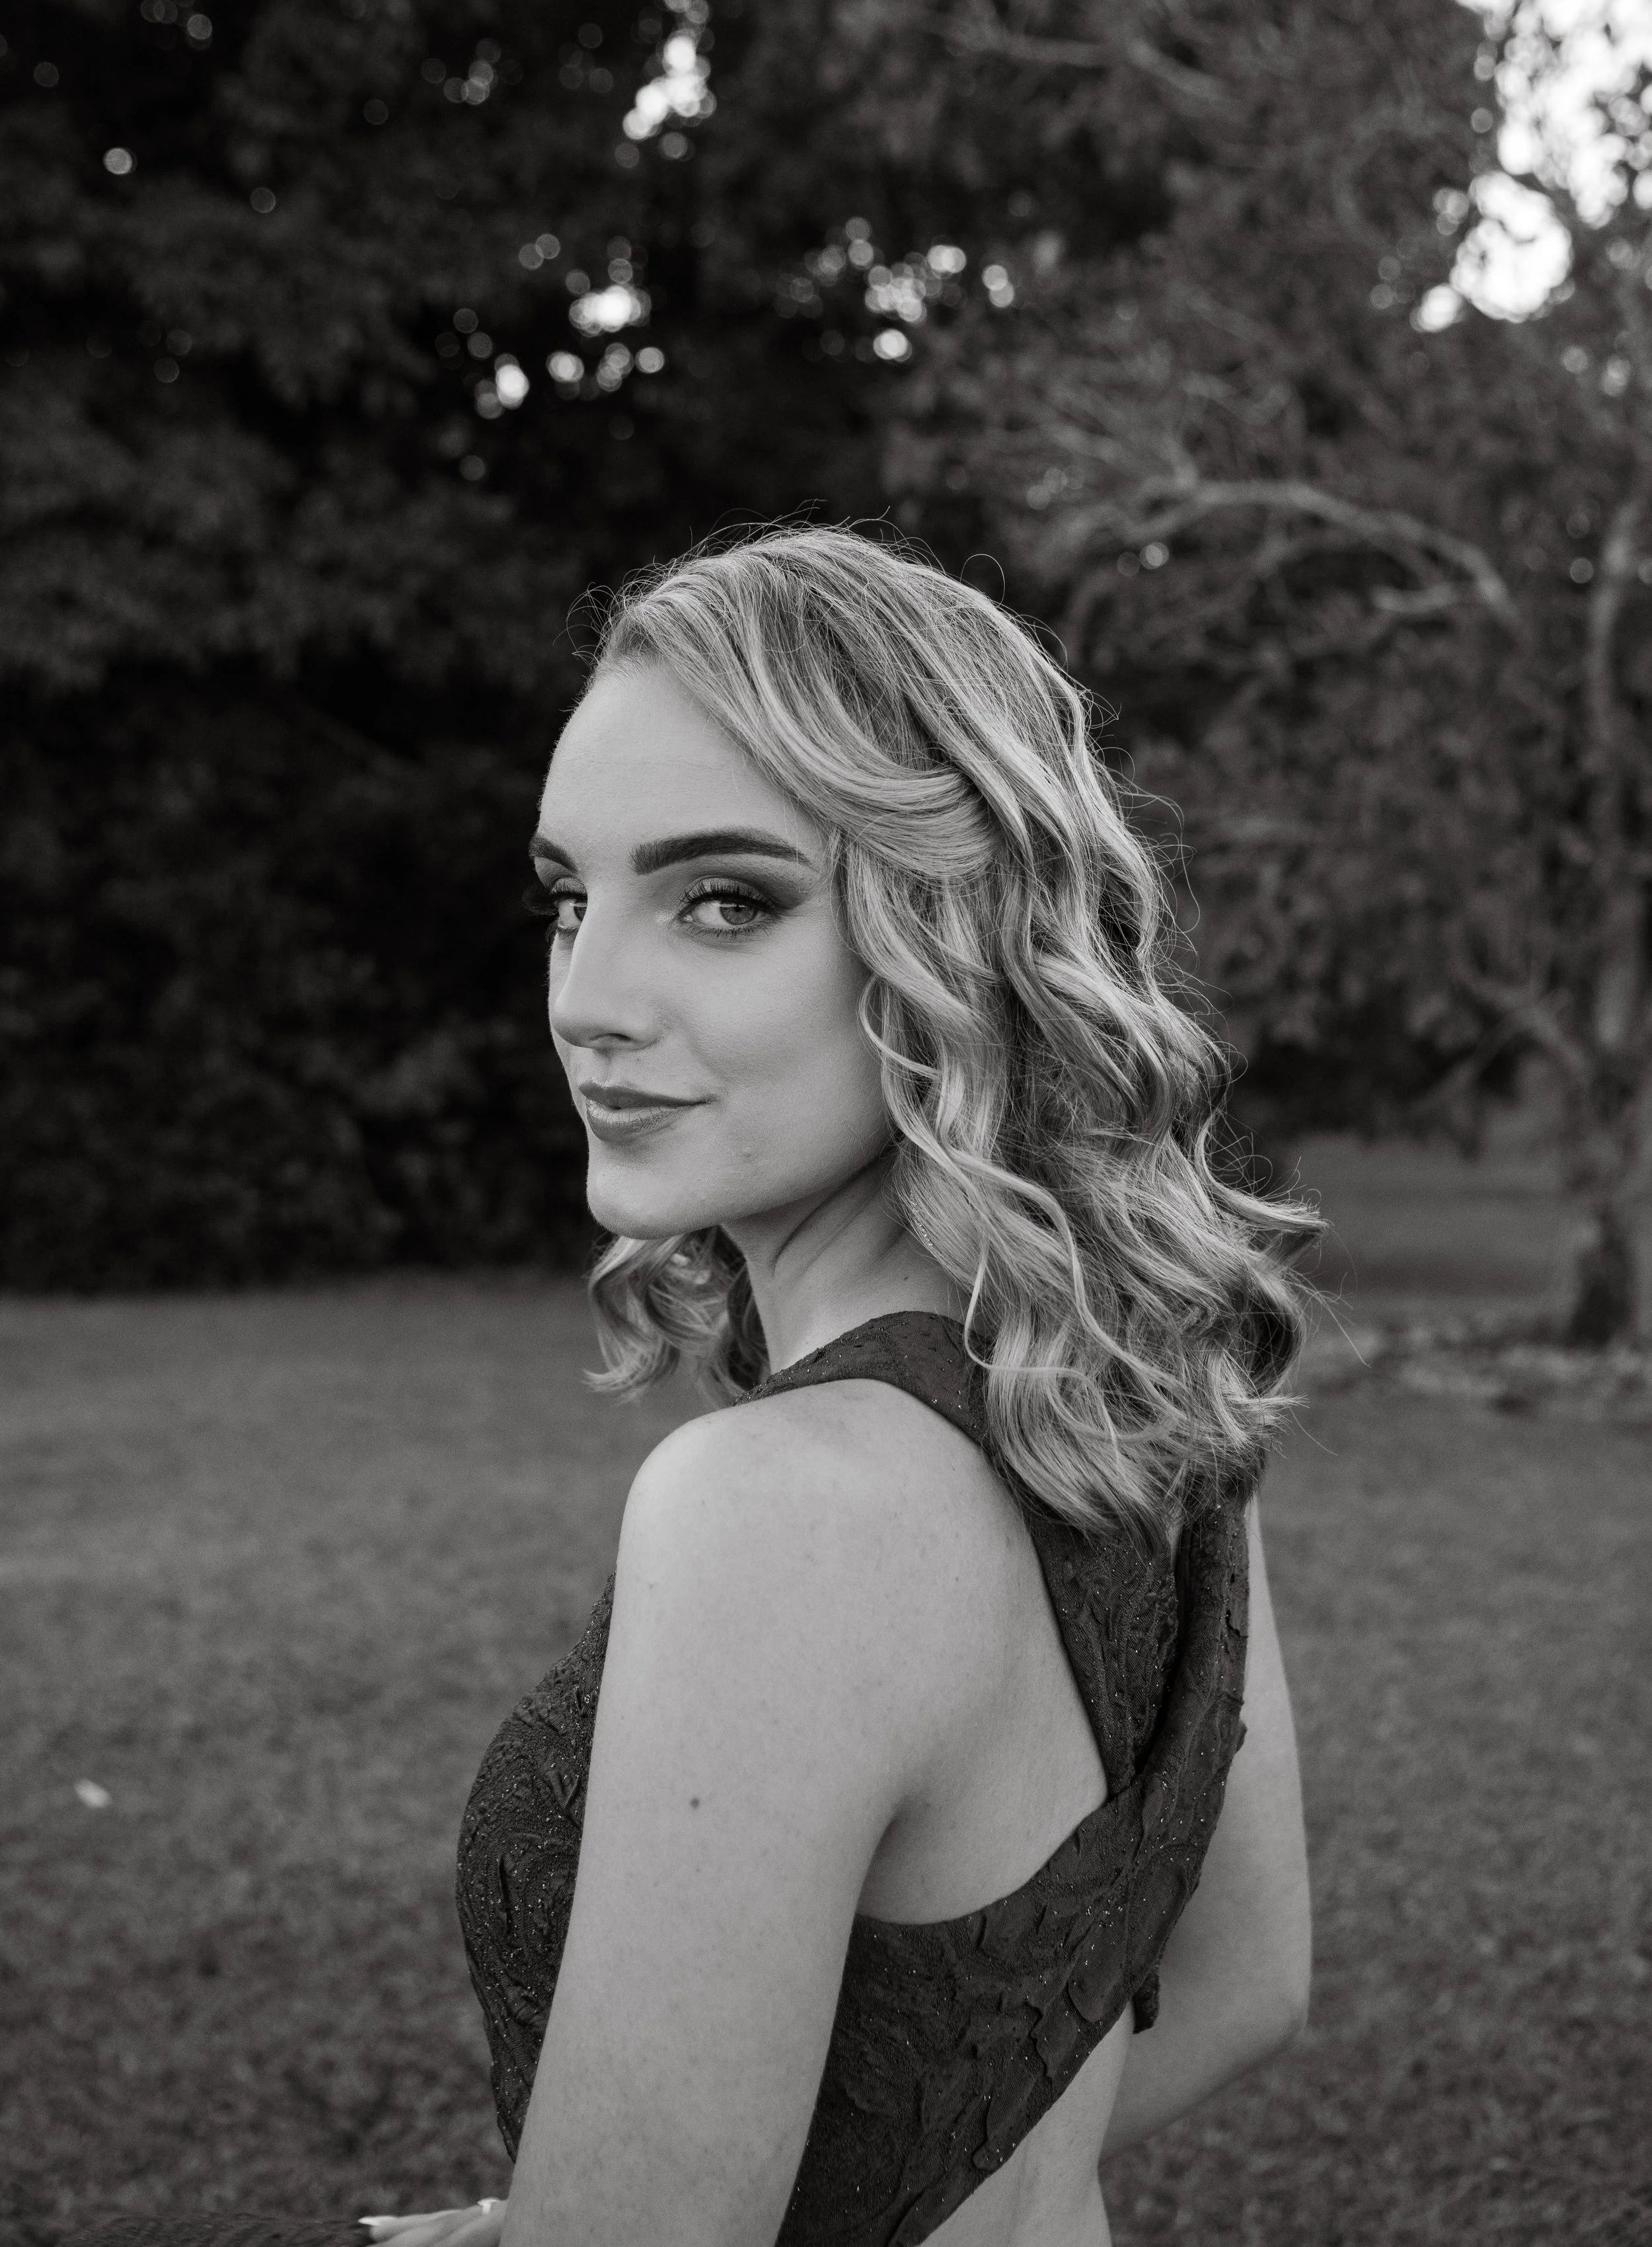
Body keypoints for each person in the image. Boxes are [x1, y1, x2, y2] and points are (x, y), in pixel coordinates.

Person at [365, 525, 1315, 2247]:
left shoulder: (780, 1513)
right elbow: (1247, 1986)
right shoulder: (1140, 1399)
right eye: (569, 900)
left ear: (953, 933)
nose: (586, 997)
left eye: (723, 901)